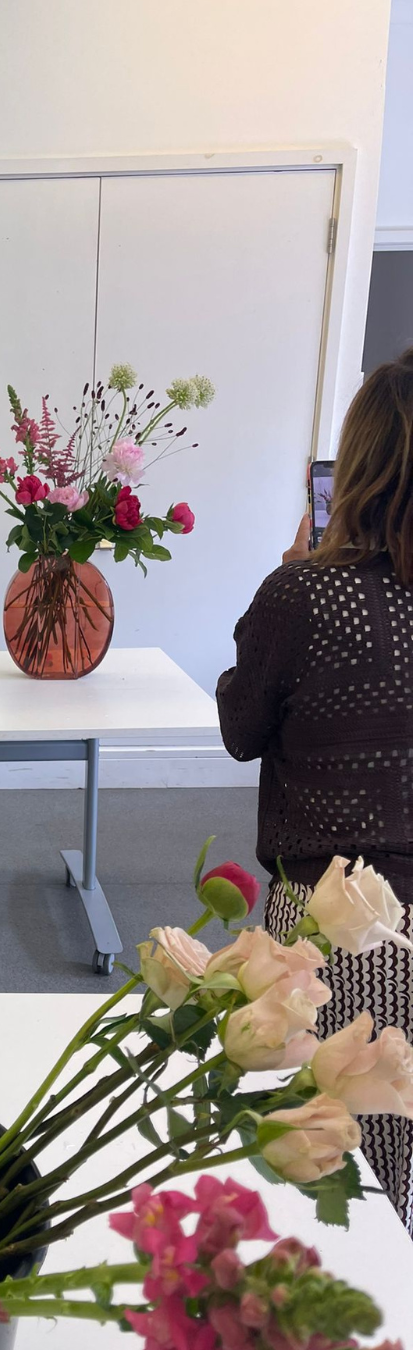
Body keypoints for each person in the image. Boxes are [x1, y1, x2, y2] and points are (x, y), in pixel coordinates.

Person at [216, 348, 413, 1234]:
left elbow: (241, 728)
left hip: (345, 923)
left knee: (340, 1171)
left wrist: (295, 570)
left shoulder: (306, 594)